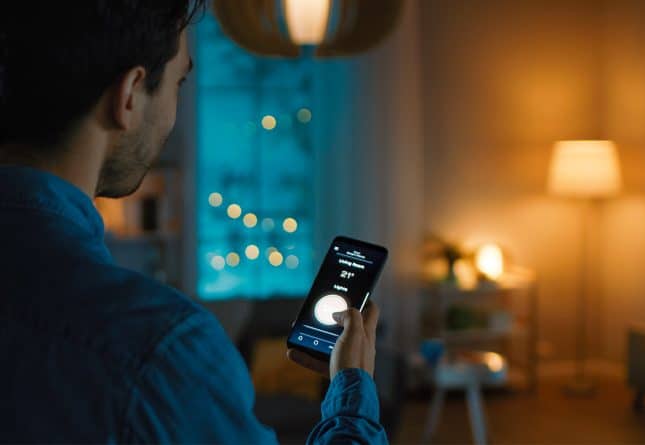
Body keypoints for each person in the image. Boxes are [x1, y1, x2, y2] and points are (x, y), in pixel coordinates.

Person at [0, 1, 387, 443]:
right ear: (129, 95)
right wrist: (352, 388)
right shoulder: (160, 350)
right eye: (179, 82)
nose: (173, 112)